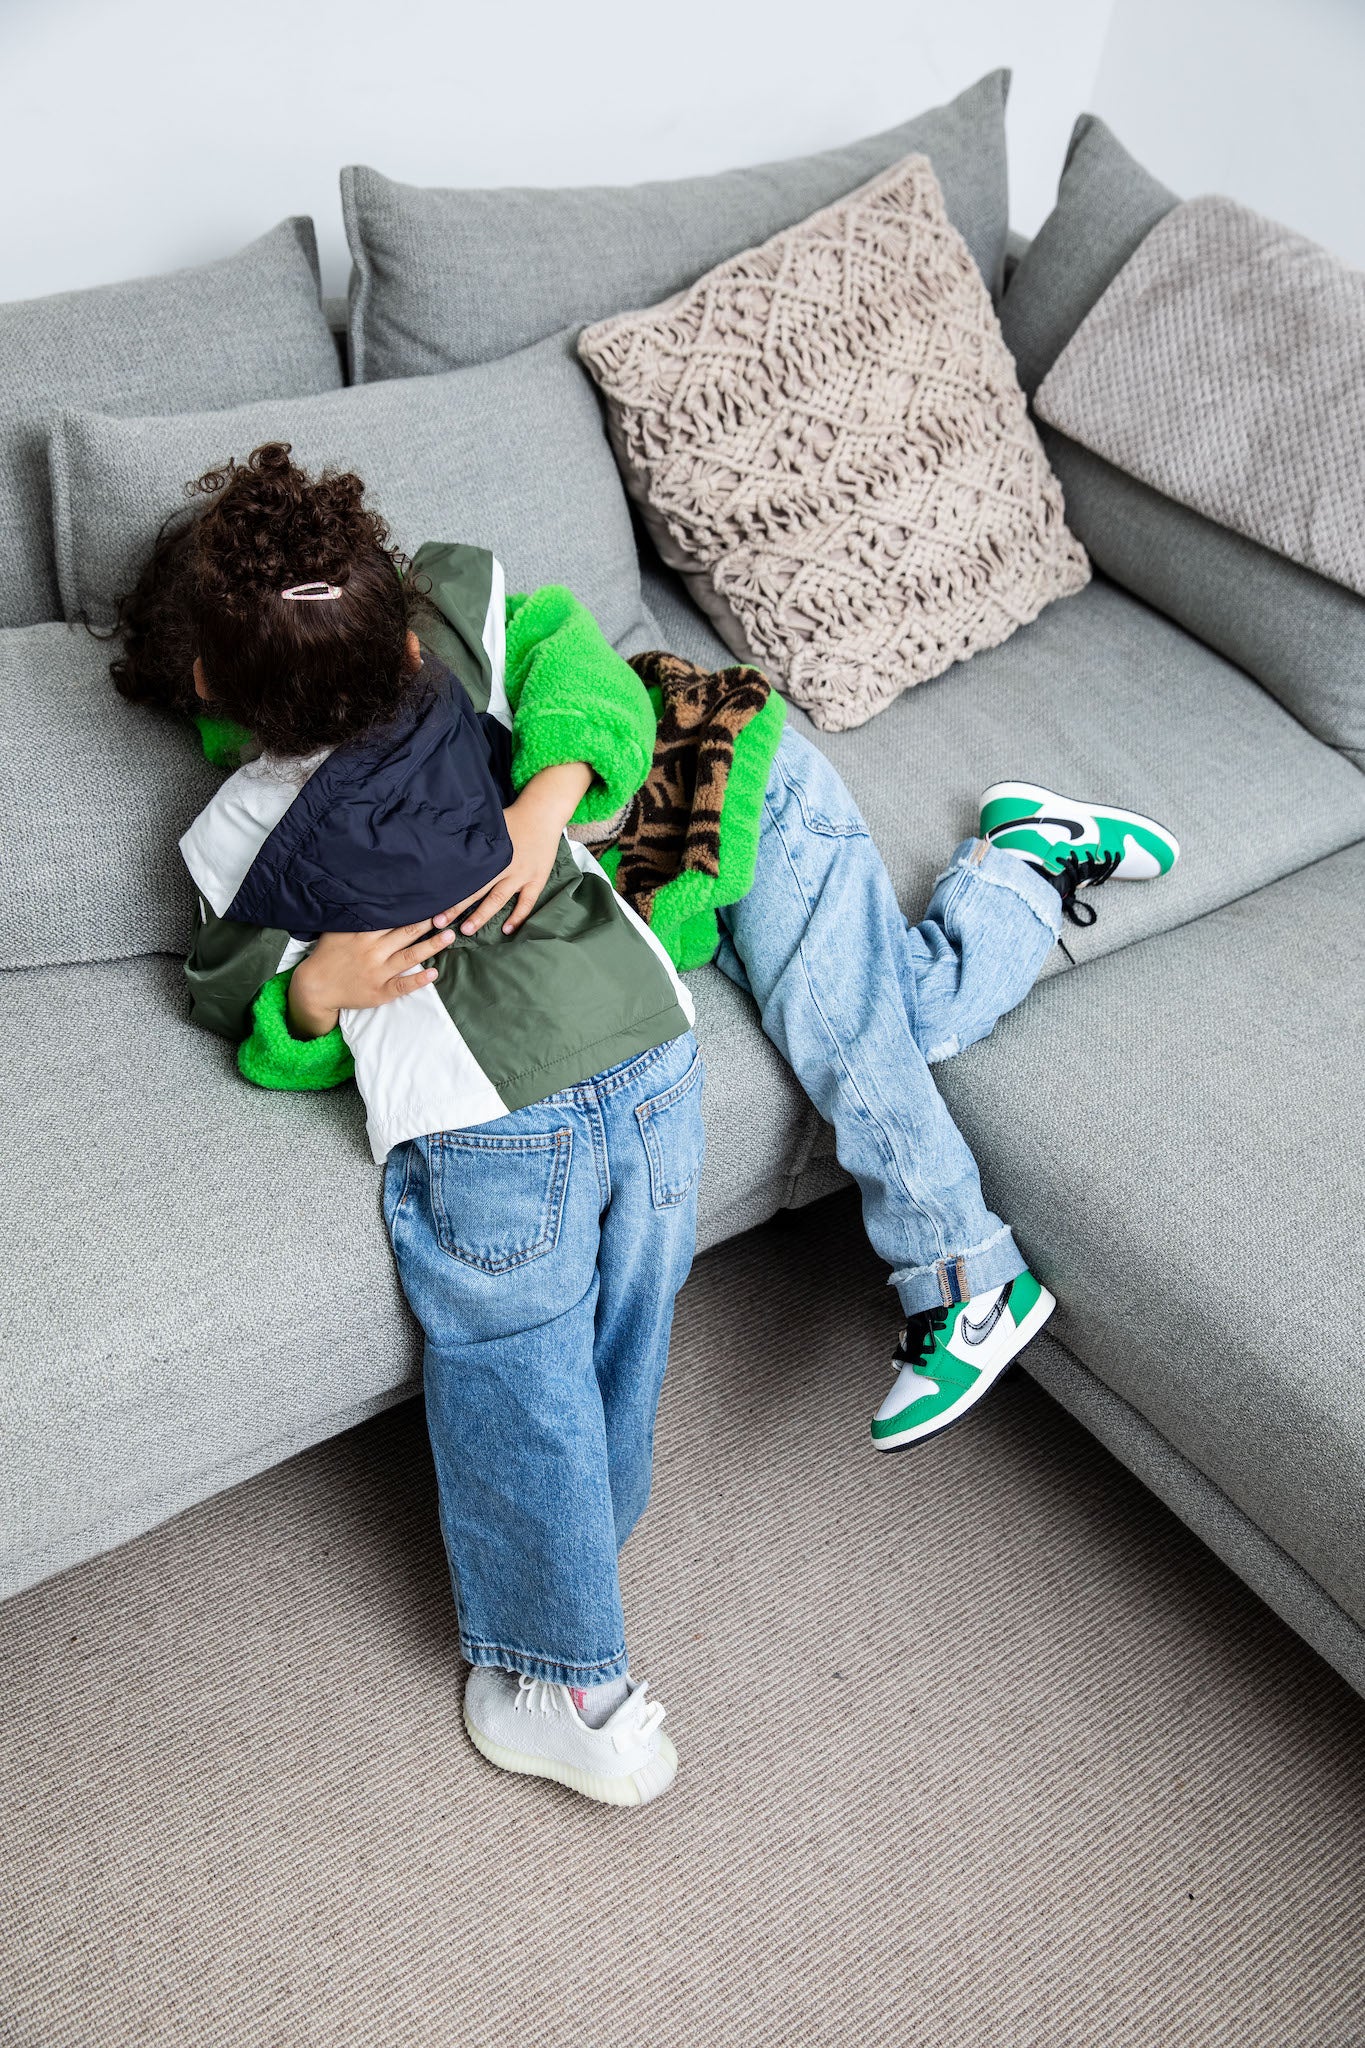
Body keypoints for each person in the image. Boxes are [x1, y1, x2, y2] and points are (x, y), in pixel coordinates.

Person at [114, 442, 1179, 1805]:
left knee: (541, 1351)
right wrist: (319, 985)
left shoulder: (385, 692)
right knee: (629, 1298)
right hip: (629, 1031)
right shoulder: (331, 735)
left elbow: (249, 999)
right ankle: (574, 1613)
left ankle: (566, 1662)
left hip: (609, 989)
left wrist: (539, 802)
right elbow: (256, 996)